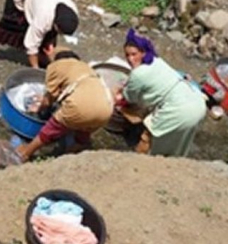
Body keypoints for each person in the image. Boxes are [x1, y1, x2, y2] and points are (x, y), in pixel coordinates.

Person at [115, 29, 206, 157]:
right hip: (197, 102)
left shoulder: (138, 74)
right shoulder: (158, 61)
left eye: (134, 54)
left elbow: (129, 97)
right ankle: (175, 160)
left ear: (143, 52)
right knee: (179, 139)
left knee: (148, 135)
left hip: (179, 109)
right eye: (127, 55)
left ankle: (138, 161)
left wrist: (119, 94)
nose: (130, 59)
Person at [15, 48, 114, 162]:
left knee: (53, 127)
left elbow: (49, 100)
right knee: (84, 126)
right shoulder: (86, 68)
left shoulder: (56, 66)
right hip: (107, 109)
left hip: (80, 106)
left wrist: (38, 107)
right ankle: (78, 147)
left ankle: (27, 152)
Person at [0, 0, 79, 69]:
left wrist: (50, 46)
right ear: (55, 23)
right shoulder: (43, 18)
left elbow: (51, 34)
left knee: (48, 36)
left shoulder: (72, 11)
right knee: (8, 26)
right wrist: (35, 69)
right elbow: (31, 46)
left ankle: (41, 56)